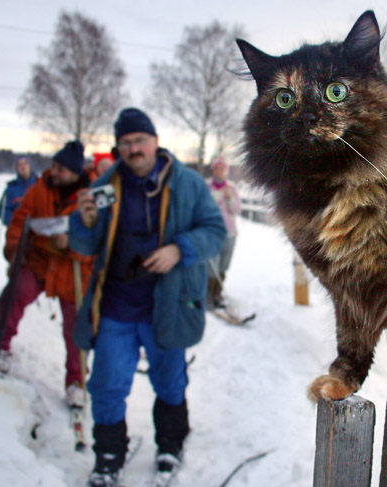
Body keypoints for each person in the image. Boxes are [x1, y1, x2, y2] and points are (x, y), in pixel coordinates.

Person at [69, 108, 225, 487]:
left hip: (167, 305)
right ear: (118, 147)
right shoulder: (106, 187)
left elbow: (215, 231)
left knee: (170, 380)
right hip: (116, 307)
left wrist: (180, 249)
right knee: (106, 383)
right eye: (126, 143)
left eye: (140, 141)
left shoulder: (188, 184)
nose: (134, 149)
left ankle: (170, 444)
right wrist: (84, 220)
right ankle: (108, 455)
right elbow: (83, 245)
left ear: (155, 141)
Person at [0, 140, 94, 409]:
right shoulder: (39, 189)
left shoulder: (89, 196)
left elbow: (98, 240)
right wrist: (14, 250)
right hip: (38, 260)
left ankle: (76, 381)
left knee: (75, 325)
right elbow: (19, 220)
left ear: (75, 173)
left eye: (62, 169)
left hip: (73, 269)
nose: (55, 172)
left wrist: (72, 245)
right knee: (15, 294)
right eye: (54, 166)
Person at [206, 156, 241, 308]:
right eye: (216, 168)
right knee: (212, 266)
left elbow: (237, 210)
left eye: (222, 168)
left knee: (223, 266)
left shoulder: (231, 188)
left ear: (225, 170)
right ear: (213, 170)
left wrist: (230, 198)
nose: (219, 171)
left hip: (230, 233)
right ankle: (207, 296)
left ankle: (217, 295)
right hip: (212, 234)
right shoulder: (206, 187)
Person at [0, 155, 37, 226]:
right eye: (19, 164)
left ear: (30, 166)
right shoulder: (11, 189)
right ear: (16, 168)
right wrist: (15, 222)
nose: (22, 166)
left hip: (39, 231)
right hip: (18, 231)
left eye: (25, 163)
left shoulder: (40, 185)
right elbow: (3, 211)